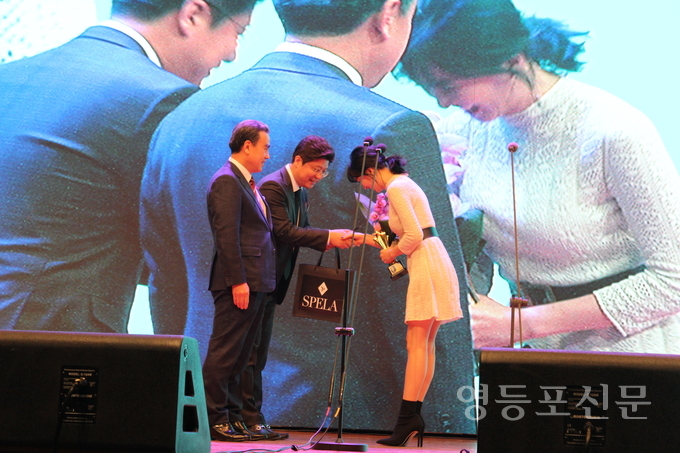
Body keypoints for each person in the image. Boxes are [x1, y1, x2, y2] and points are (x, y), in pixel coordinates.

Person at [141, 0, 474, 434]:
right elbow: (426, 307)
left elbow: (167, 282)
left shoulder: (183, 117)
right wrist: (453, 429)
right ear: (389, 14)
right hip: (338, 425)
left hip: (204, 415)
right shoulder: (384, 127)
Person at [399, 0, 680, 353]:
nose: (443, 102)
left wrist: (521, 324)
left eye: (449, 85)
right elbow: (473, 247)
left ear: (511, 59)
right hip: (533, 351)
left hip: (630, 354)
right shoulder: (461, 132)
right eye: (432, 90)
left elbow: (673, 281)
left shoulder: (613, 131)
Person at [0, 0, 257, 332]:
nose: (232, 53)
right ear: (193, 14)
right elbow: (188, 254)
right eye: (239, 32)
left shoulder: (10, 75)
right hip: (50, 343)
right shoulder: (162, 99)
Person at [241, 135, 360, 439]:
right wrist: (328, 237)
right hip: (258, 281)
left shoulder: (299, 191)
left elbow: (301, 230)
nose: (319, 177)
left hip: (272, 283)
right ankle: (247, 419)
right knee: (250, 354)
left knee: (258, 354)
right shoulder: (273, 186)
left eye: (324, 172)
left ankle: (253, 418)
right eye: (315, 170)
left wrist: (333, 239)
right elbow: (283, 231)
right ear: (297, 161)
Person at [347, 143, 462, 446]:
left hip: (425, 260)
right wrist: (367, 239)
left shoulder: (397, 188)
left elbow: (412, 235)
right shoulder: (403, 184)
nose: (367, 187)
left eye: (363, 181)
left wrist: (393, 253)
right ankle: (412, 416)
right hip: (430, 257)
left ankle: (408, 419)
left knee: (417, 342)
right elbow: (410, 233)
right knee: (423, 343)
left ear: (370, 171)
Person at [202, 120, 277, 442]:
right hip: (240, 282)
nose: (267, 155)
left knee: (241, 356)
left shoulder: (244, 181)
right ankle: (214, 418)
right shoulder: (227, 180)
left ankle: (233, 417)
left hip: (256, 281)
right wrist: (238, 281)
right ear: (247, 146)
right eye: (265, 148)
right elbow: (226, 235)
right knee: (225, 353)